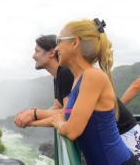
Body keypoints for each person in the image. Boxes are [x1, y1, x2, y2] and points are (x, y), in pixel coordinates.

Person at [29, 18, 139, 164]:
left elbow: (72, 130)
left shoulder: (92, 76)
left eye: (59, 41)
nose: (56, 49)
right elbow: (66, 117)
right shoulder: (78, 78)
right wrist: (33, 122)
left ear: (74, 43)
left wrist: (61, 124)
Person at [14, 35, 74, 128]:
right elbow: (58, 107)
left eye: (37, 51)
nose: (33, 56)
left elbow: (67, 112)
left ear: (51, 53)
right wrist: (33, 115)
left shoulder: (66, 72)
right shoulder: (57, 76)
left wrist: (35, 114)